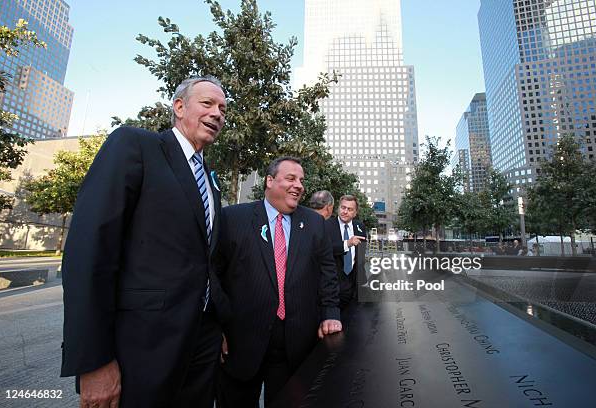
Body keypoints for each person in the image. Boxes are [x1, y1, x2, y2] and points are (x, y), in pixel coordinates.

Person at [60, 76, 229, 408]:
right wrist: (92, 361)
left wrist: (216, 321)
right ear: (179, 107)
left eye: (223, 108)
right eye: (207, 104)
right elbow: (89, 251)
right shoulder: (135, 145)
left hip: (200, 348)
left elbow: (206, 259)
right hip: (141, 349)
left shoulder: (212, 179)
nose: (218, 113)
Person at [216, 156, 342, 408]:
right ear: (270, 181)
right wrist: (216, 328)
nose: (299, 185)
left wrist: (330, 313)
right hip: (240, 344)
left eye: (302, 180)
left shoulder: (315, 223)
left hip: (296, 345)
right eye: (291, 178)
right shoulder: (233, 218)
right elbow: (215, 274)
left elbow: (327, 273)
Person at [326, 195, 367, 309]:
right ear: (338, 208)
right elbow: (324, 250)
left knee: (355, 322)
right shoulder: (326, 225)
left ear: (355, 212)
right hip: (333, 285)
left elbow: (360, 256)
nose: (345, 211)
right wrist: (347, 243)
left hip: (354, 284)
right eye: (343, 207)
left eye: (349, 209)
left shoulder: (360, 226)